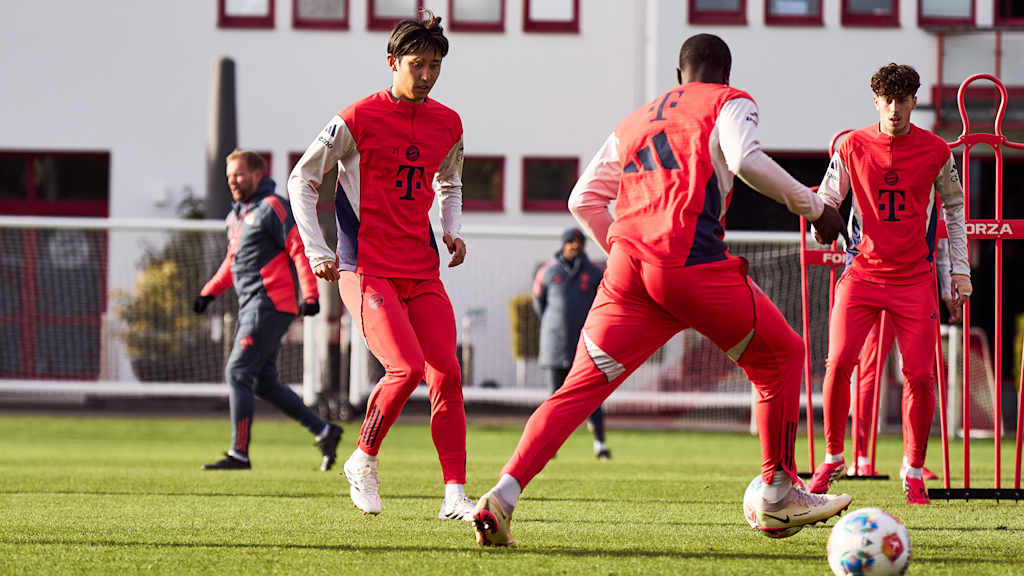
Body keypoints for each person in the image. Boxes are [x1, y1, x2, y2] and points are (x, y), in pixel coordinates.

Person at [472, 33, 853, 547]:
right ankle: (779, 491)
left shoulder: (637, 119)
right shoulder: (729, 101)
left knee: (577, 392)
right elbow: (744, 160)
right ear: (726, 74)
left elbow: (582, 199)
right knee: (782, 356)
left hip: (628, 272)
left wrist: (626, 248)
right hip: (689, 264)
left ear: (679, 76)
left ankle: (503, 493)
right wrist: (815, 207)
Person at [287, 10, 474, 521]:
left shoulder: (448, 122)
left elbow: (450, 182)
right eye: (418, 64)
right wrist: (318, 250)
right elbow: (300, 181)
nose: (428, 75)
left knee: (447, 376)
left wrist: (451, 228)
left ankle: (455, 493)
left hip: (422, 270)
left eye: (436, 65)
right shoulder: (355, 118)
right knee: (406, 368)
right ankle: (363, 460)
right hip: (366, 269)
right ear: (392, 62)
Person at [807, 63, 971, 505]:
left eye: (903, 99)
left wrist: (960, 271)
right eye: (887, 100)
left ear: (914, 102)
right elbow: (827, 197)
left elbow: (954, 211)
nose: (894, 108)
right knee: (839, 362)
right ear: (875, 101)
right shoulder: (851, 145)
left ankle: (913, 469)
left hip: (914, 278)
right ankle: (835, 457)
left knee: (920, 374)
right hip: (861, 273)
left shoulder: (937, 151)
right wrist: (818, 223)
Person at [194, 149, 343, 471]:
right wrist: (208, 293)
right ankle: (325, 430)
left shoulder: (272, 207)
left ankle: (239, 454)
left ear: (257, 175)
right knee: (263, 382)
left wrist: (311, 295)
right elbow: (233, 263)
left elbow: (298, 248)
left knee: (237, 372)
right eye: (229, 175)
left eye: (239, 174)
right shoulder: (236, 217)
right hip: (251, 306)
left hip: (270, 304)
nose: (233, 181)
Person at [846, 235, 954, 481]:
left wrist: (947, 288)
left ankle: (911, 460)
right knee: (869, 370)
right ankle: (860, 457)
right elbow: (854, 227)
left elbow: (942, 241)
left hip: (914, 286)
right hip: (875, 278)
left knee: (917, 371)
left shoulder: (933, 198)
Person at [533, 228, 609, 459]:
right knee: (554, 397)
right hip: (554, 344)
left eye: (579, 242)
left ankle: (600, 444)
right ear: (563, 244)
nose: (575, 246)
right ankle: (550, 445)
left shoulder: (595, 271)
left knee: (592, 395)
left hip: (585, 345)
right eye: (571, 241)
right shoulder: (547, 271)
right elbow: (540, 305)